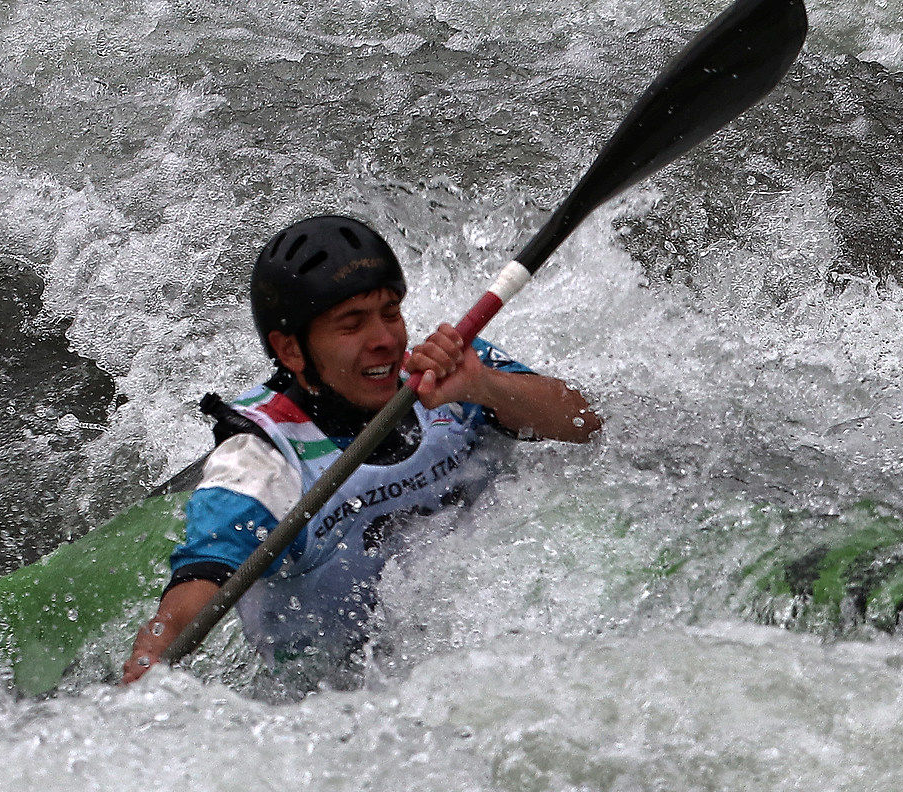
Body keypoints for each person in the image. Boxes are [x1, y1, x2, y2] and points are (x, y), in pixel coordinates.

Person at [121, 214, 598, 683]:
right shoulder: (260, 460)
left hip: (492, 652)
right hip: (331, 705)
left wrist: (486, 388)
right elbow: (195, 590)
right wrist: (151, 661)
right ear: (290, 351)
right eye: (352, 324)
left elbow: (588, 424)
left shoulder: (452, 376)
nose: (385, 341)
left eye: (391, 313)